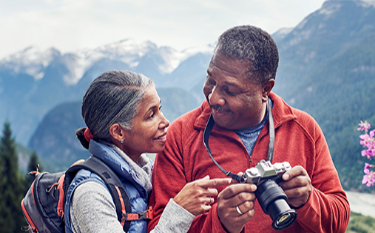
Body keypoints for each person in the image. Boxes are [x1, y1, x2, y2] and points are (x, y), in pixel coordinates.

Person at [148, 25, 350, 233]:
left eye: (230, 90)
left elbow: (339, 222)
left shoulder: (304, 129)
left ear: (265, 90)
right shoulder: (180, 135)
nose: (213, 97)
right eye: (210, 80)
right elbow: (159, 227)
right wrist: (219, 222)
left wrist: (308, 200)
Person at [66, 70, 230, 233]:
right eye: (151, 115)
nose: (165, 122)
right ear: (118, 132)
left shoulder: (148, 174)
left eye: (160, 109)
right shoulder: (91, 194)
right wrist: (180, 211)